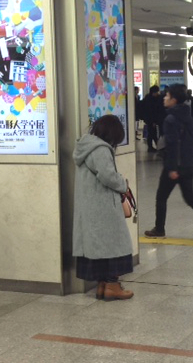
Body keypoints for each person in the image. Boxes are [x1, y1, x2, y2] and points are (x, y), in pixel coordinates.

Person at [72, 115, 134, 301]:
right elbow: (107, 176)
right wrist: (124, 185)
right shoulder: (100, 149)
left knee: (99, 248)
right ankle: (112, 286)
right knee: (113, 245)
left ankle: (102, 286)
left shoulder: (86, 146)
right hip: (103, 206)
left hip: (91, 206)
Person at [144, 84, 193, 241]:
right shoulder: (188, 117)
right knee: (190, 197)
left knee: (161, 197)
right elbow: (189, 142)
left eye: (167, 96)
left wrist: (172, 168)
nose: (164, 98)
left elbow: (173, 145)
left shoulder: (170, 119)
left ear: (174, 100)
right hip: (188, 164)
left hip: (175, 166)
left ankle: (159, 229)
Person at [142, 85, 162, 152]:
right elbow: (151, 111)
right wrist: (153, 121)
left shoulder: (148, 98)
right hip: (150, 120)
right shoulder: (151, 100)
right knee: (152, 134)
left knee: (152, 133)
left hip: (149, 119)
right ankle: (153, 147)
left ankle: (153, 147)